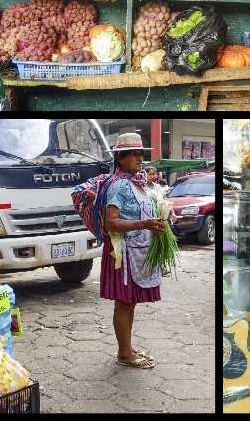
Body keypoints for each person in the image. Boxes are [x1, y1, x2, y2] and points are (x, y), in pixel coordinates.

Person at [101, 134, 167, 370]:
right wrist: (145, 224)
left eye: (141, 154)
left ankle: (127, 348)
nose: (140, 158)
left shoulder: (138, 183)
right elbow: (111, 222)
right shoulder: (119, 184)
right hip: (124, 253)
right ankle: (124, 354)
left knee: (131, 303)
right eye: (134, 154)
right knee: (123, 303)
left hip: (138, 250)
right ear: (120, 158)